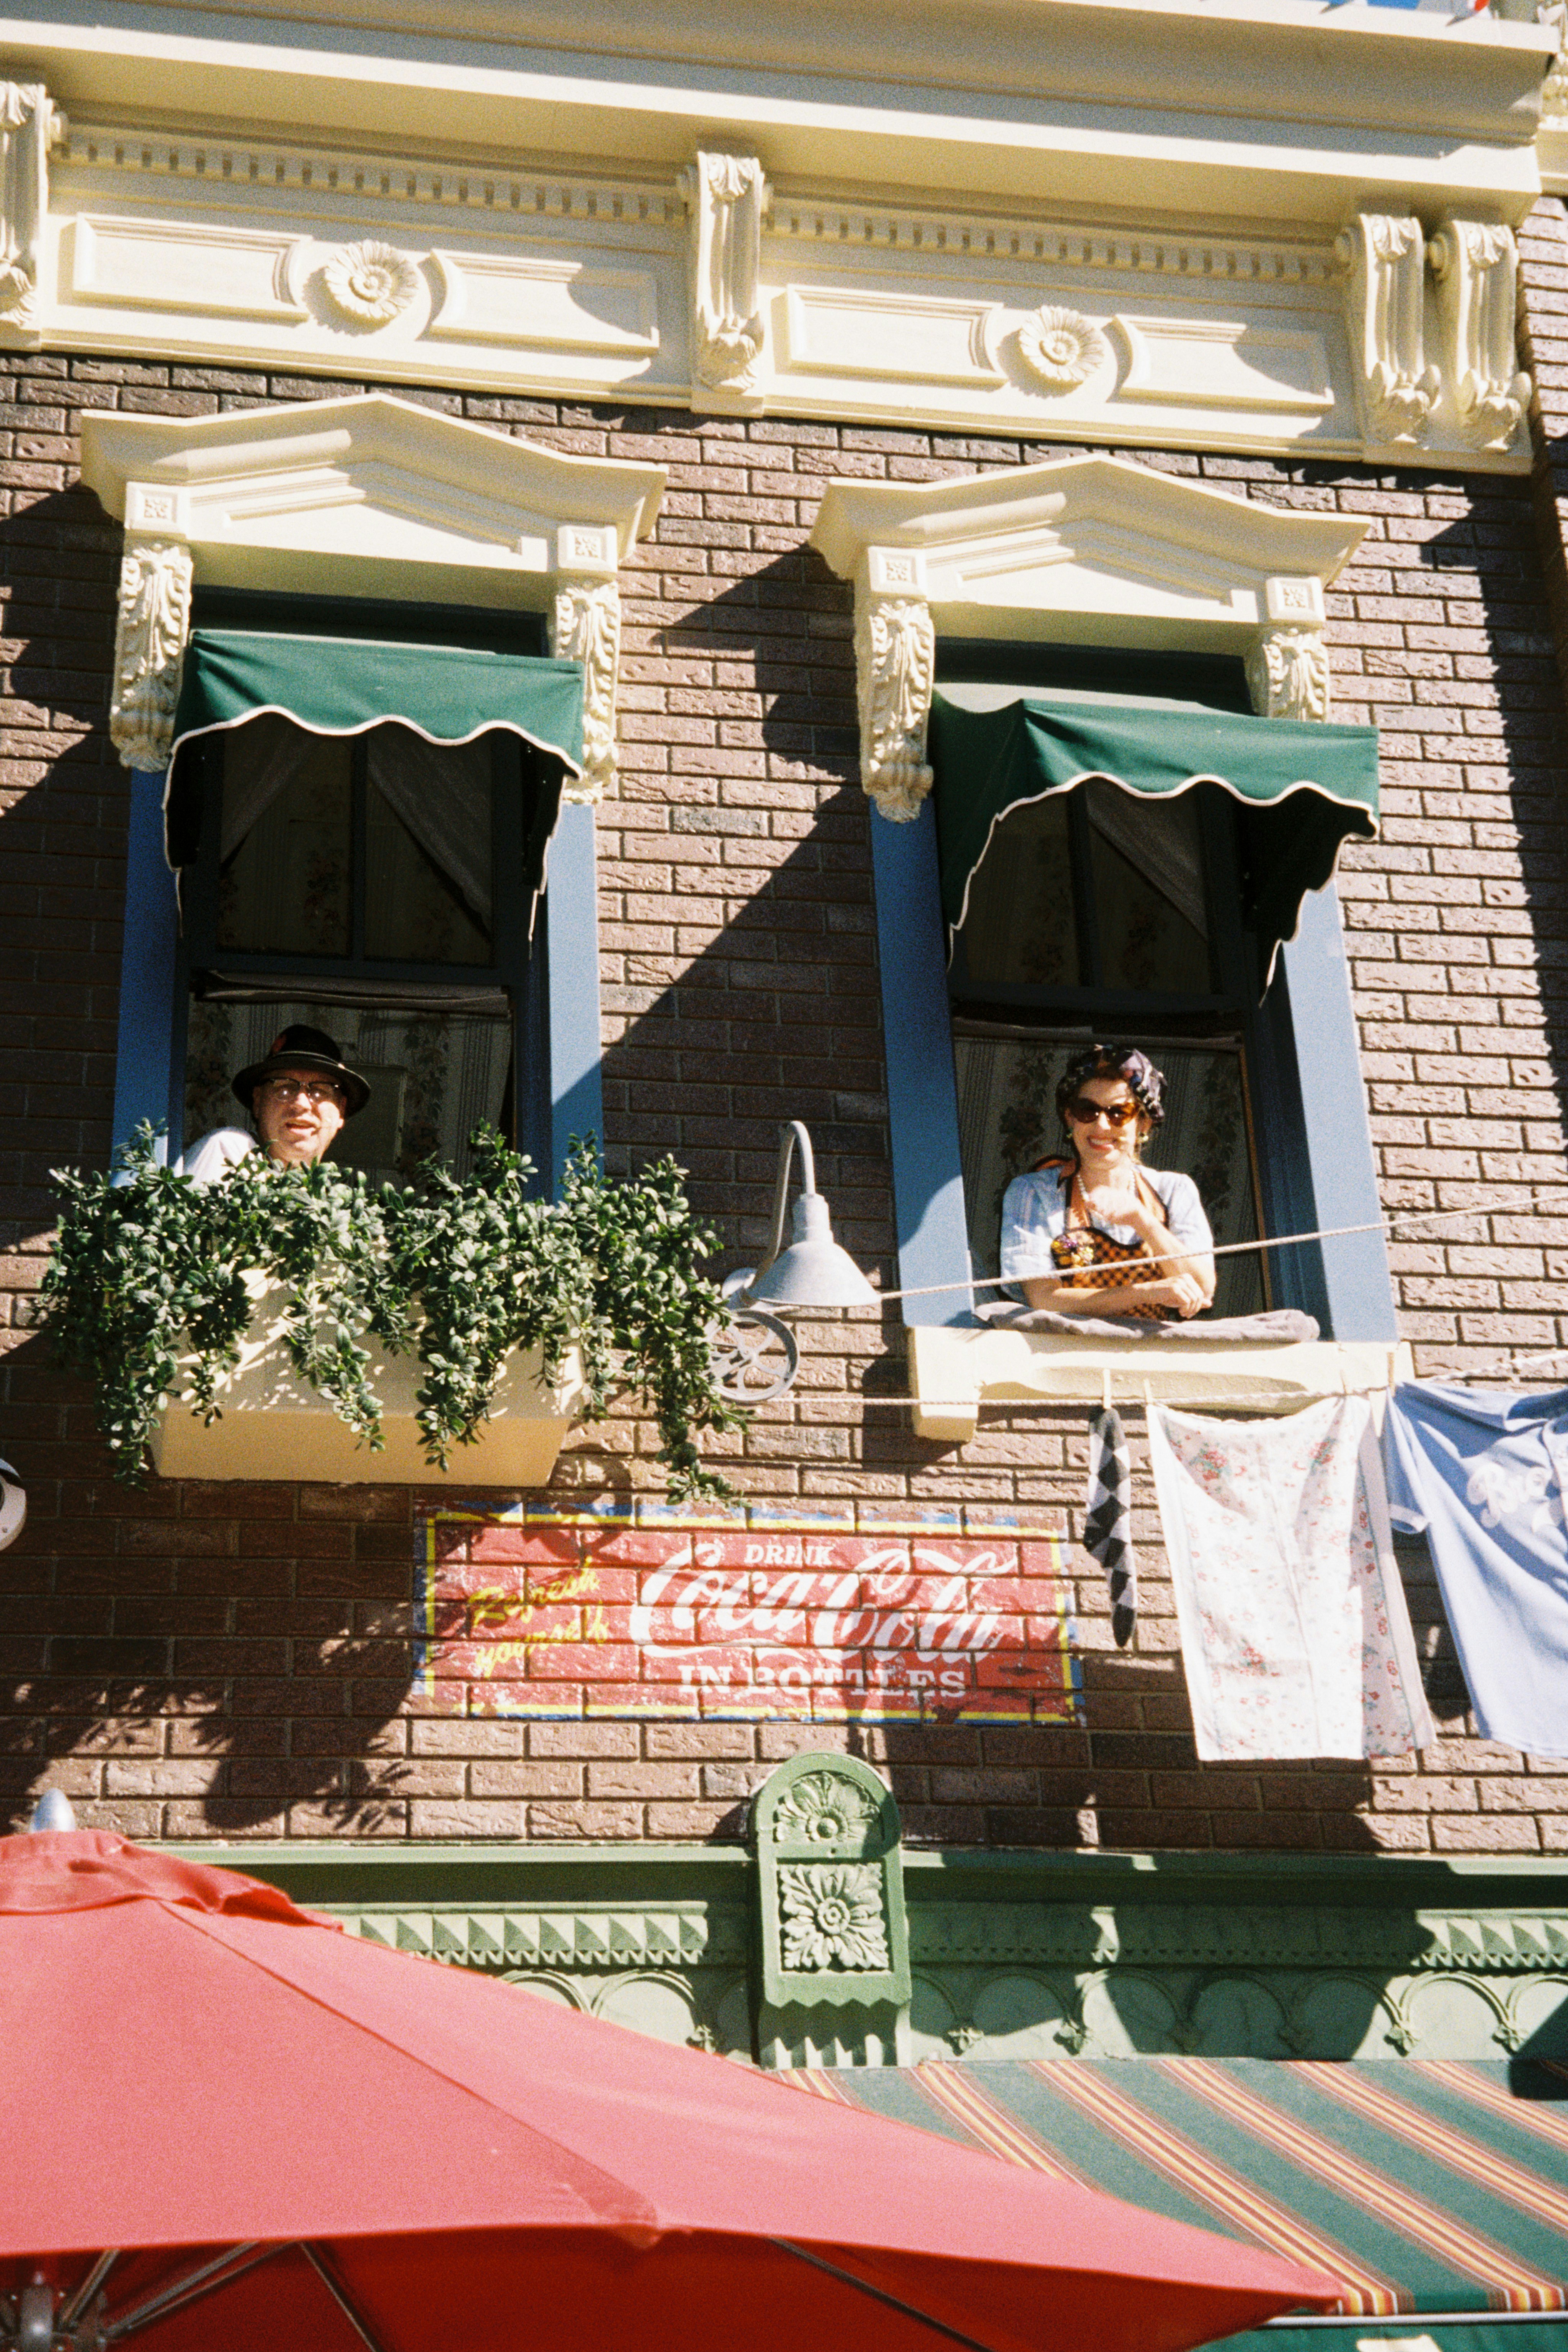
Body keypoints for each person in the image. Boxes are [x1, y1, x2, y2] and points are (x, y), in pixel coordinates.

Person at [998, 1044, 1217, 1321]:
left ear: (1143, 1124)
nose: (1102, 1126)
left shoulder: (1175, 1190)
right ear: (1070, 1118)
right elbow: (1042, 1298)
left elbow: (1203, 1288)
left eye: (1119, 1112)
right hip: (1064, 1358)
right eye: (1087, 1110)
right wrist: (1143, 1293)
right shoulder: (1033, 1192)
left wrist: (1142, 1220)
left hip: (1152, 1357)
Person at [175, 1024, 371, 1185]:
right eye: (284, 1089)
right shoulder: (230, 1151)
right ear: (259, 1101)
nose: (301, 1104)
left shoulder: (334, 1200)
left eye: (320, 1091)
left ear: (341, 1111)